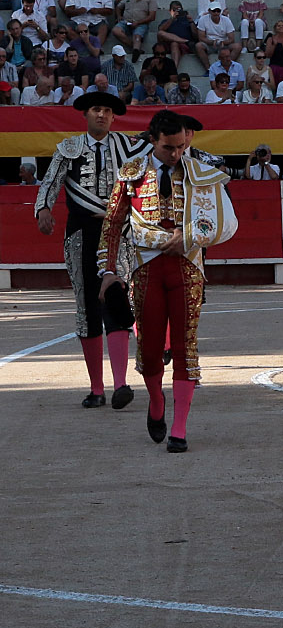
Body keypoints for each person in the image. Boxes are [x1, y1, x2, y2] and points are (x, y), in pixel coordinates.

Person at [96, 110, 238, 453]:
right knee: (149, 349)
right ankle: (157, 401)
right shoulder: (132, 173)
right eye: (168, 147)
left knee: (185, 346)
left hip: (187, 268)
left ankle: (179, 428)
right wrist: (107, 270)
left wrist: (189, 236)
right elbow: (112, 225)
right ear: (153, 140)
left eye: (180, 147)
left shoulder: (201, 173)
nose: (175, 154)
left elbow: (222, 220)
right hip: (146, 268)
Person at [34, 89, 142, 409]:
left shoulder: (128, 146)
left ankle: (120, 384)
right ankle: (97, 388)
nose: (102, 115)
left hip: (118, 232)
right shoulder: (68, 148)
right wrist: (43, 209)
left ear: (113, 117)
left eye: (107, 111)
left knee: (117, 298)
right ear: (85, 114)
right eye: (96, 109)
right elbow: (50, 182)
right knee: (87, 305)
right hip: (82, 233)